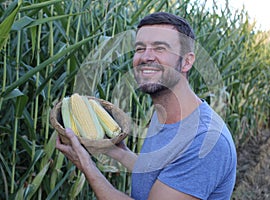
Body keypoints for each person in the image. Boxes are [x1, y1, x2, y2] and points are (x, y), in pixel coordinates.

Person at [56, 12, 237, 200]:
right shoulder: (163, 115)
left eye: (160, 48)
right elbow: (159, 173)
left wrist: (86, 165)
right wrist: (118, 152)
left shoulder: (205, 141)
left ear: (187, 61)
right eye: (140, 48)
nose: (146, 57)